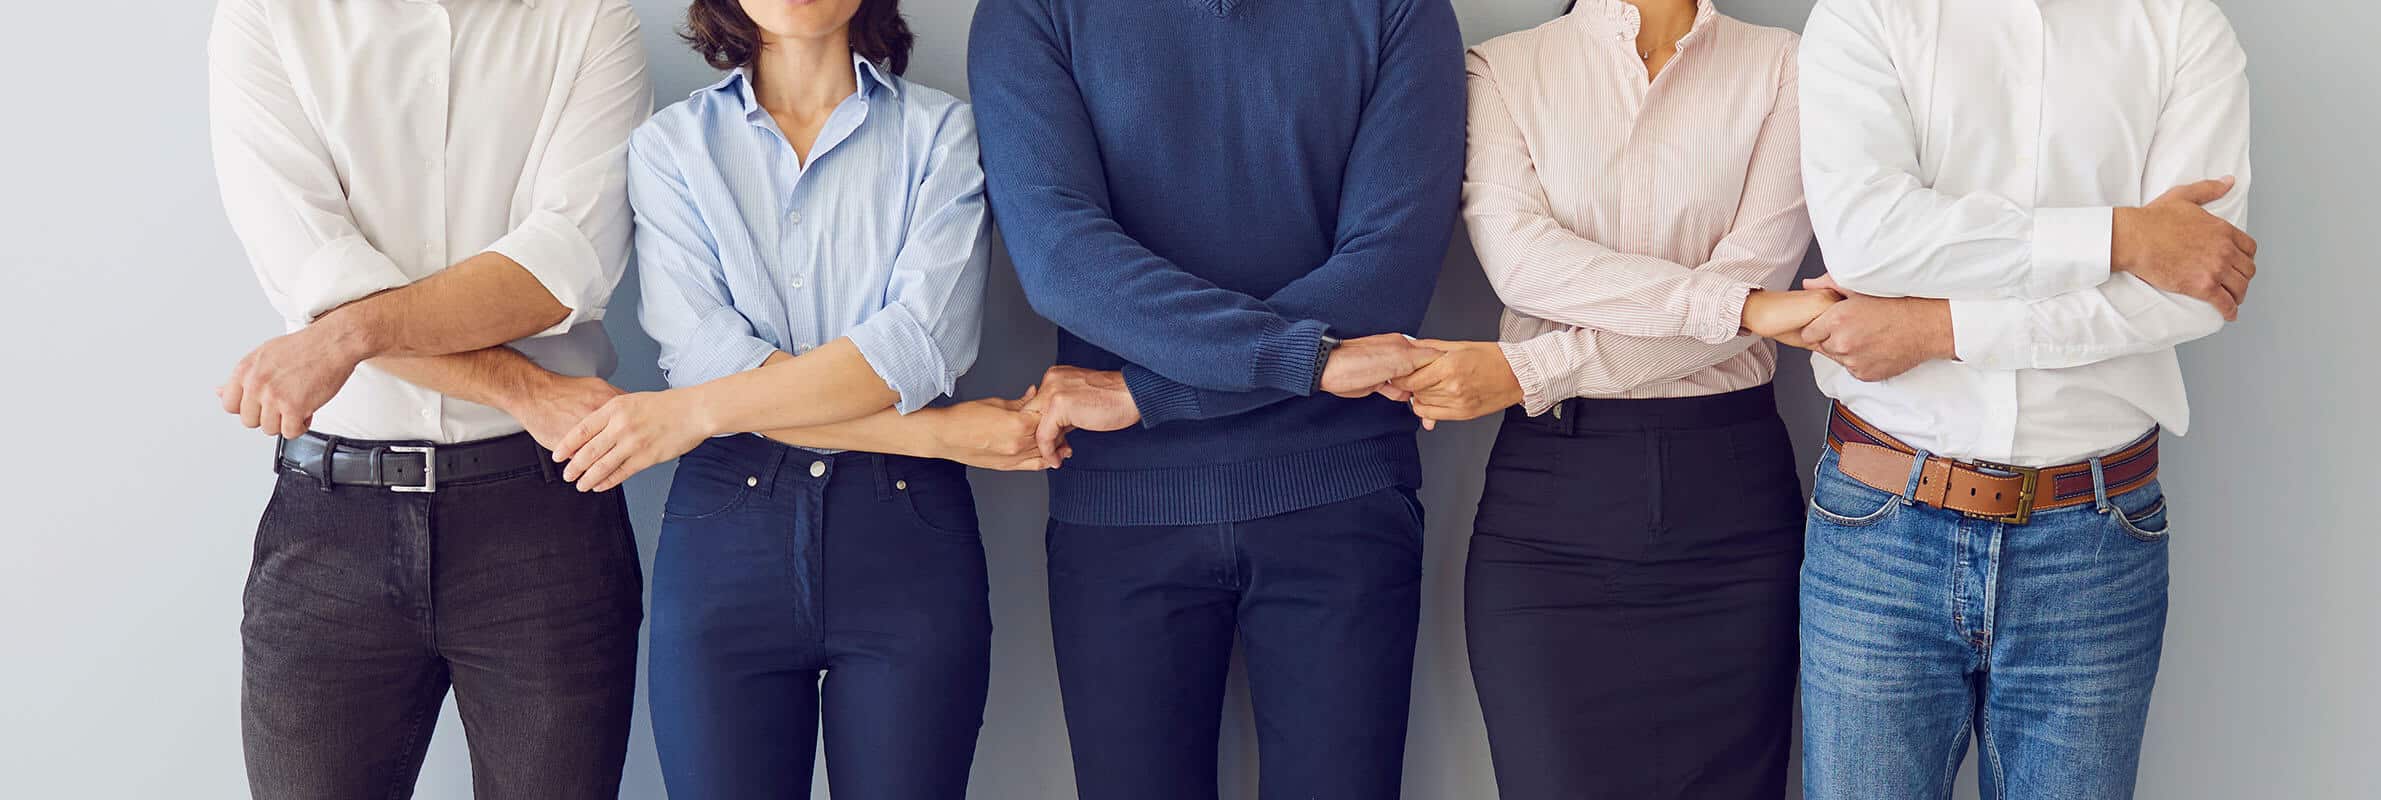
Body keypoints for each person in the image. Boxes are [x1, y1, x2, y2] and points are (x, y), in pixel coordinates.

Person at [965, 0, 1465, 796]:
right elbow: (1062, 261)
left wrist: (1151, 392)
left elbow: (1388, 276)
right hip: (1123, 518)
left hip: (1340, 505)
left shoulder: (1399, 8)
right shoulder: (1031, 9)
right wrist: (1304, 359)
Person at [542, 1, 1028, 796]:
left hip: (907, 538)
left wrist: (692, 415)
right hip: (728, 528)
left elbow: (918, 348)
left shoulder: (943, 135)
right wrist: (937, 437)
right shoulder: (669, 149)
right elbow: (705, 359)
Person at [1791, 0, 2256, 796]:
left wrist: (1940, 328)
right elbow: (1870, 239)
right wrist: (2122, 238)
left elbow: (2196, 286)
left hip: (2095, 539)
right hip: (1881, 524)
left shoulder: (2180, 23)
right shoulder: (1863, 12)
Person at [207, 0, 651, 796]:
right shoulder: (269, 17)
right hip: (330, 528)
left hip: (543, 516)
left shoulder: (587, 15)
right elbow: (316, 277)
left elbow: (564, 268)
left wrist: (344, 339)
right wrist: (524, 385)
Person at [1391, 1, 1829, 797]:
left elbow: (1760, 280)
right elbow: (1525, 266)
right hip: (1551, 514)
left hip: (1731, 505)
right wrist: (1738, 309)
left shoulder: (1785, 64)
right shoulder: (1503, 68)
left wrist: (1533, 369)